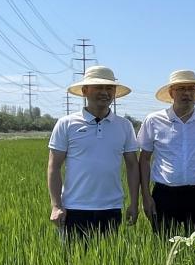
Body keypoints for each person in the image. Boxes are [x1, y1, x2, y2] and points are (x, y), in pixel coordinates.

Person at [47, 66, 139, 239]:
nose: (104, 92)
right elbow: (54, 166)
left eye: (109, 88)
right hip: (74, 208)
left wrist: (134, 203)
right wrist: (56, 205)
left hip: (112, 207)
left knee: (109, 255)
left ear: (114, 92)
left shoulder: (124, 126)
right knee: (73, 256)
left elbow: (133, 165)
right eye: (98, 87)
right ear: (84, 91)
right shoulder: (66, 124)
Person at [137, 70, 195, 235]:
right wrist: (146, 196)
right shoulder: (153, 120)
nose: (187, 93)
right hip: (164, 195)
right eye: (181, 89)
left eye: (191, 89)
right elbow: (144, 160)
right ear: (171, 93)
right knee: (165, 245)